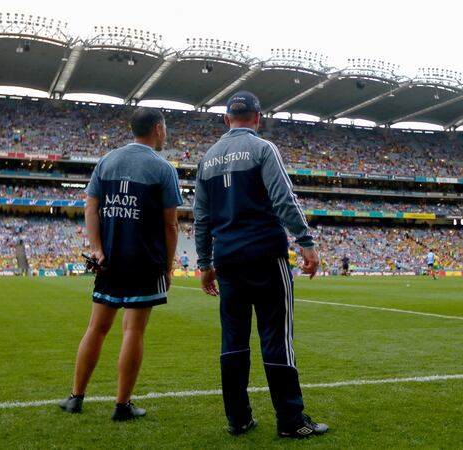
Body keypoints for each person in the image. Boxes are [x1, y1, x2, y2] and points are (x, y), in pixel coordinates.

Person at [193, 91, 328, 438]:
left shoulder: (207, 159)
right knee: (276, 337)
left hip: (227, 260)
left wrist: (205, 263)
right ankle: (291, 420)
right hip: (265, 255)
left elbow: (202, 218)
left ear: (226, 119)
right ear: (257, 117)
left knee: (233, 339)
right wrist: (306, 243)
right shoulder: (263, 149)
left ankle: (238, 418)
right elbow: (284, 199)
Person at [59, 108, 182, 421]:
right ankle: (121, 405)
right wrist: (168, 268)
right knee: (133, 331)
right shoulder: (163, 168)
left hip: (109, 261)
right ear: (157, 129)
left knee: (96, 329)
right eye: (164, 128)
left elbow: (91, 209)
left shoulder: (107, 161)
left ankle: (75, 397)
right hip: (145, 262)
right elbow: (171, 226)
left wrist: (97, 250)